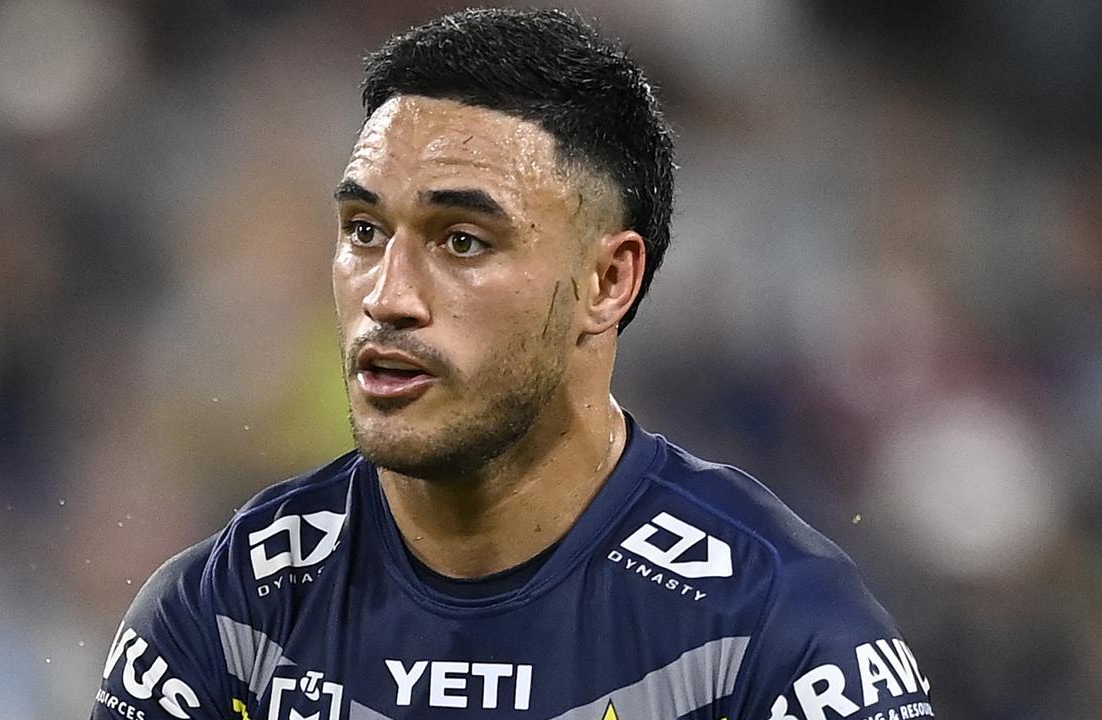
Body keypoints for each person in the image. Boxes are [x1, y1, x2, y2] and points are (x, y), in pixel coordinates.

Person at [91, 8, 935, 720]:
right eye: (363, 232)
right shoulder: (228, 619)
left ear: (608, 281)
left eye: (462, 242)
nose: (388, 295)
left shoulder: (771, 634)